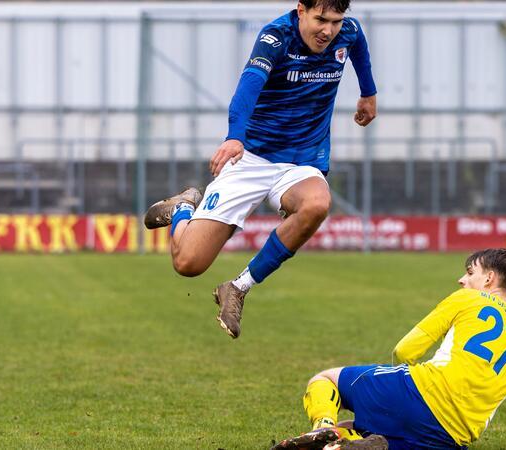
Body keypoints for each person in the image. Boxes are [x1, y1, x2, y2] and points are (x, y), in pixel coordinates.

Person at [143, 0, 377, 339]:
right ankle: (183, 207)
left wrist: (368, 93)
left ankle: (237, 288)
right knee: (188, 264)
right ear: (301, 9)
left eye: (336, 22)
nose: (328, 30)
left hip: (302, 162)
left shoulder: (349, 32)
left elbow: (359, 48)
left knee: (316, 204)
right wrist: (235, 137)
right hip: (250, 159)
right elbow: (248, 88)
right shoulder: (275, 37)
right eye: (320, 19)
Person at [273, 249, 506, 450]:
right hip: (448, 438)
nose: (462, 279)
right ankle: (339, 440)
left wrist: (400, 383)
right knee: (360, 429)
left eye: (470, 272)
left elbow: (405, 350)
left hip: (417, 390)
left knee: (325, 379)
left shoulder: (467, 299)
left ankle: (323, 425)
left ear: (489, 279)